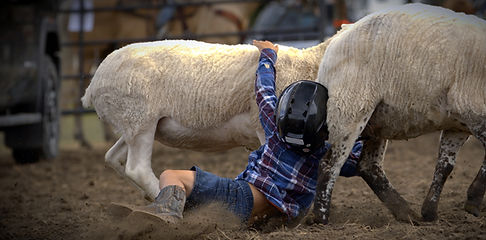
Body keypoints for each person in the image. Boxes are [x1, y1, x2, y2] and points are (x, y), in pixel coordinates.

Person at [119, 40, 362, 225]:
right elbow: (352, 160)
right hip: (287, 212)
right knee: (204, 197)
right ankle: (187, 210)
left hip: (243, 197)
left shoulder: (275, 132)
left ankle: (167, 216)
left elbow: (264, 92)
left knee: (171, 175)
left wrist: (268, 55)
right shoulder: (322, 151)